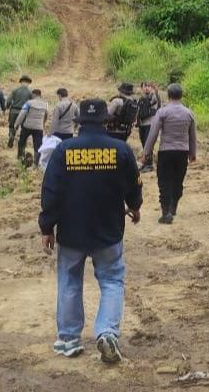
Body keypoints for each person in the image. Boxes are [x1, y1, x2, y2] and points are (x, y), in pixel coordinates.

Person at [38, 98, 143, 362]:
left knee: (69, 280)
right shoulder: (120, 150)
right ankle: (107, 332)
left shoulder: (64, 150)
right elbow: (134, 184)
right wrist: (134, 206)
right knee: (112, 280)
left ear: (79, 123)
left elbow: (51, 190)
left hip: (71, 230)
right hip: (108, 230)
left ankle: (69, 339)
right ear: (106, 121)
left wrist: (47, 226)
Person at [141, 83, 197, 224]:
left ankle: (166, 212)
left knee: (164, 181)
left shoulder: (163, 112)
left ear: (168, 95)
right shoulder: (189, 113)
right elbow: (192, 136)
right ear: (181, 96)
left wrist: (146, 152)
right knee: (178, 180)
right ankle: (173, 206)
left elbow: (153, 133)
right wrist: (192, 153)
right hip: (182, 152)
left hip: (166, 151)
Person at [15, 88, 48, 166]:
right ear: (40, 95)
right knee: (38, 145)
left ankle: (21, 157)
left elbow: (22, 114)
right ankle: (36, 162)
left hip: (27, 126)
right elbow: (46, 115)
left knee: (22, 141)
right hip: (39, 127)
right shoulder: (45, 104)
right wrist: (43, 124)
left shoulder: (28, 103)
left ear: (34, 94)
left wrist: (17, 124)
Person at [137, 82, 161, 173]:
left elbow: (156, 102)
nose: (147, 88)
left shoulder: (153, 97)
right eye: (145, 86)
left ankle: (149, 164)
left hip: (150, 124)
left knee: (148, 143)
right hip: (142, 124)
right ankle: (146, 163)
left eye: (149, 86)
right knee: (144, 143)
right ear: (142, 88)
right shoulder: (141, 99)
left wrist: (156, 91)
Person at [6, 75, 33, 148]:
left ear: (21, 82)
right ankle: (22, 143)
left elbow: (8, 101)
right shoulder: (30, 92)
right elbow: (32, 103)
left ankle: (11, 135)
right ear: (28, 83)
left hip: (14, 110)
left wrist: (7, 107)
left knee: (12, 126)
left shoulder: (15, 90)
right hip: (24, 112)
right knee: (24, 128)